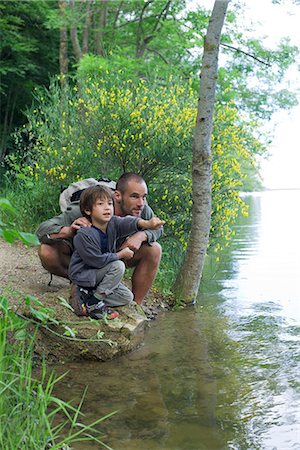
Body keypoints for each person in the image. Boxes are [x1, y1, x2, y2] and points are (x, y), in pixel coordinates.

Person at [37, 172, 163, 313]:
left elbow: (158, 228)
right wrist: (69, 230)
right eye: (134, 196)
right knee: (46, 251)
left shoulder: (141, 209)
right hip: (87, 260)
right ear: (118, 196)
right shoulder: (87, 206)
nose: (141, 203)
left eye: (144, 197)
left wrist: (141, 235)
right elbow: (42, 230)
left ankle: (135, 306)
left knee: (154, 249)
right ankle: (81, 286)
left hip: (113, 258)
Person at [68, 185, 164, 319]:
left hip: (97, 278)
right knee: (118, 265)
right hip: (84, 275)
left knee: (126, 297)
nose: (107, 207)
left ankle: (85, 297)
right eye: (100, 204)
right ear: (88, 210)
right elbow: (96, 261)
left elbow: (128, 222)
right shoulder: (84, 234)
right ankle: (93, 303)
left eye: (110, 203)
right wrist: (121, 255)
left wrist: (147, 224)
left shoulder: (113, 223)